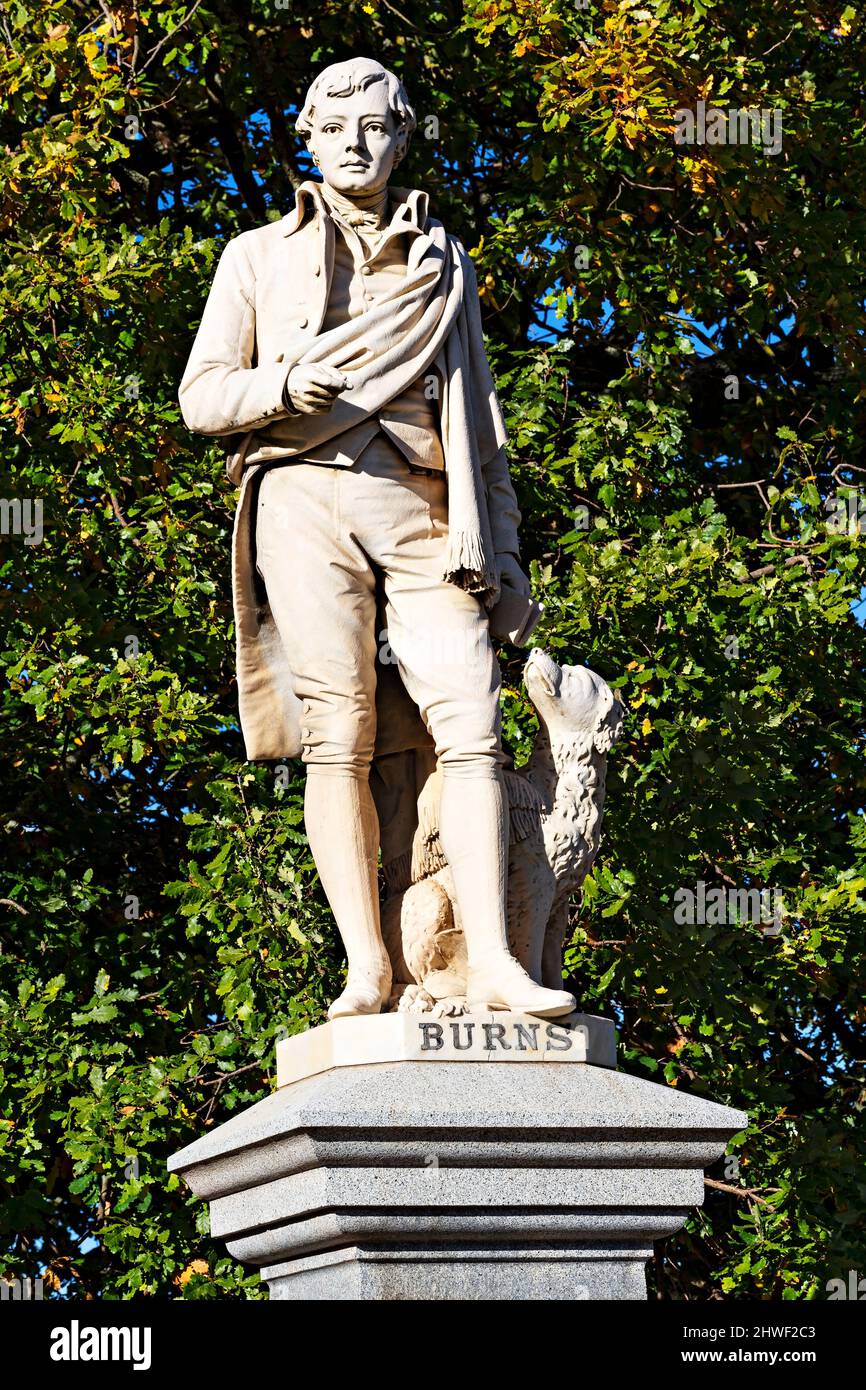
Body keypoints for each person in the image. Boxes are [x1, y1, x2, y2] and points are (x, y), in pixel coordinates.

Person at [179, 57, 576, 1021]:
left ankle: (494, 963)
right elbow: (201, 396)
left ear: (403, 141)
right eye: (338, 127)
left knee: (474, 725)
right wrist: (281, 388)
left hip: (427, 509)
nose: (358, 145)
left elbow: (482, 432)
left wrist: (509, 552)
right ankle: (367, 968)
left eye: (378, 127)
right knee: (338, 736)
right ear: (307, 139)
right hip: (303, 498)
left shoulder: (446, 263)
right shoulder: (257, 257)